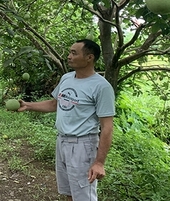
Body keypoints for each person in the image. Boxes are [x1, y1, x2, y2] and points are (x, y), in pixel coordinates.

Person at [18, 39, 115, 201]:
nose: (68, 56)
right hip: (62, 141)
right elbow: (54, 104)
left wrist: (99, 162)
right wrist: (27, 106)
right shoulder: (67, 78)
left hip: (83, 146)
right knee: (69, 192)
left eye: (74, 53)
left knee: (84, 196)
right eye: (69, 52)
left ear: (89, 58)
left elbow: (107, 127)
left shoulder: (101, 87)